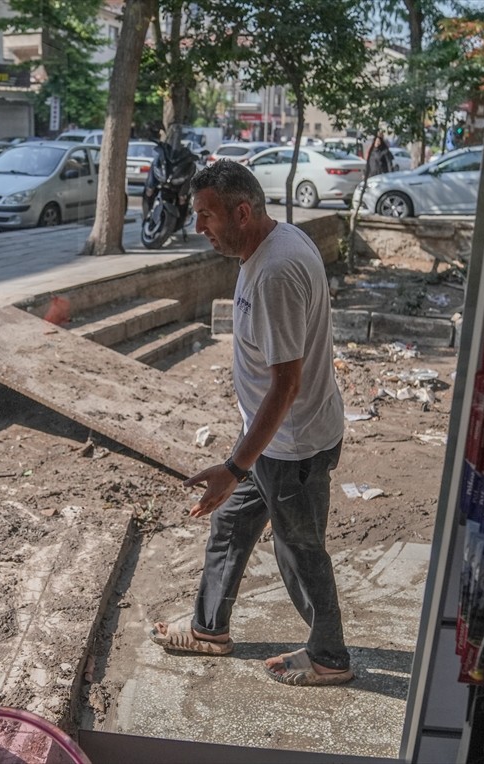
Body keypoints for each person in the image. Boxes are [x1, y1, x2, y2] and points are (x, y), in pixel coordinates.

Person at [149, 161, 352, 687]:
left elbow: (287, 385)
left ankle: (330, 657)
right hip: (268, 444)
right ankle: (208, 629)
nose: (199, 228)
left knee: (300, 554)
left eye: (206, 216)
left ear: (242, 211)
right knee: (231, 526)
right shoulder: (267, 244)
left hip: (291, 449)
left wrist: (234, 467)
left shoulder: (276, 273)